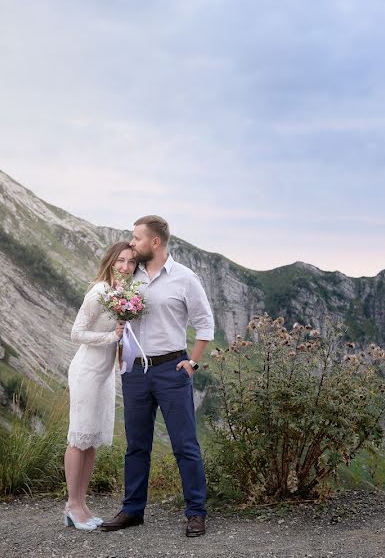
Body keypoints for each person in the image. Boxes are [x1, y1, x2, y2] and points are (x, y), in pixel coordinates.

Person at [100, 215, 214, 538]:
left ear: (155, 242)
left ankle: (196, 512)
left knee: (185, 445)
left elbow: (205, 324)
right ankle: (132, 510)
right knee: (136, 445)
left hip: (172, 369)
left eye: (136, 239)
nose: (132, 244)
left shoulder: (185, 278)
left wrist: (192, 363)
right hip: (135, 372)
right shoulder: (128, 277)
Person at [63, 241, 137, 531]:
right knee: (78, 438)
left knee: (91, 440)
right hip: (86, 371)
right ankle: (71, 505)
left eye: (131, 262)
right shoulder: (99, 292)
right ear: (110, 261)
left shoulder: (122, 294)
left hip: (104, 374)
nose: (125, 267)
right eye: (120, 261)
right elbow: (76, 333)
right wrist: (111, 338)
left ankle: (82, 504)